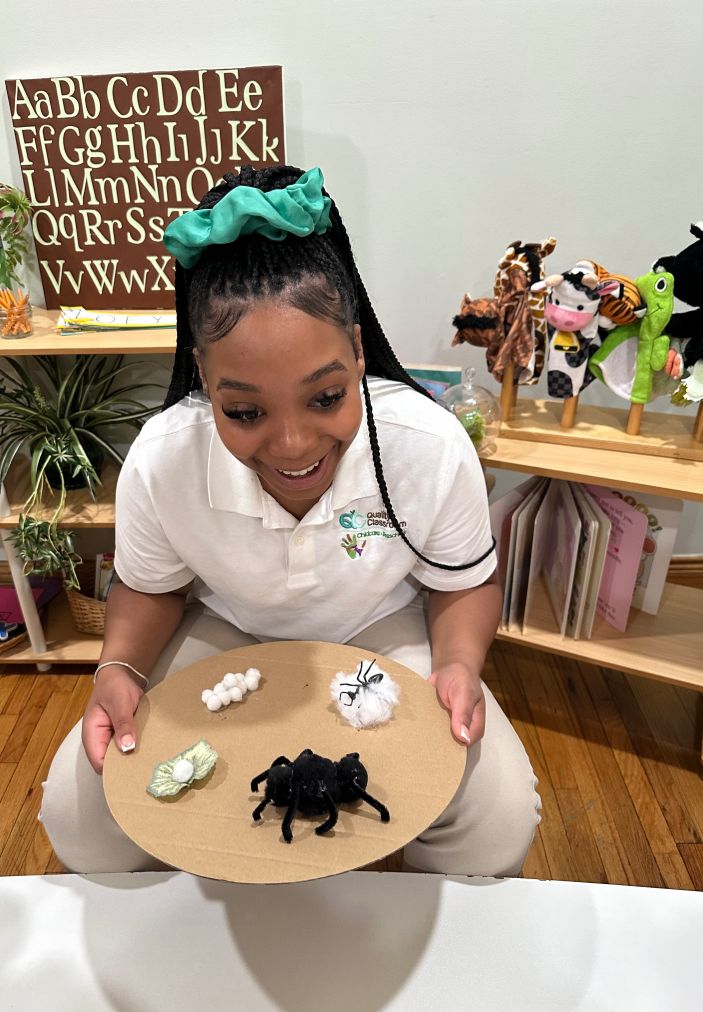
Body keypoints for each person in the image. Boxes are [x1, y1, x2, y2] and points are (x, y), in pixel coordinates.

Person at [41, 165, 541, 875]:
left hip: (383, 632)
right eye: (244, 411)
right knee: (80, 819)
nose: (294, 445)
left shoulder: (425, 445)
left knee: (496, 825)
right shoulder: (163, 459)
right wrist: (118, 667)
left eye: (327, 396)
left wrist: (459, 663)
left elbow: (464, 584)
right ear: (203, 380)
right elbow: (149, 587)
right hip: (226, 630)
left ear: (359, 353)